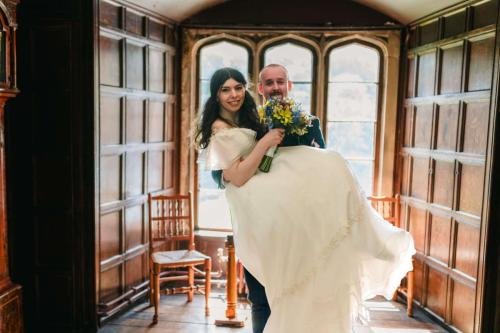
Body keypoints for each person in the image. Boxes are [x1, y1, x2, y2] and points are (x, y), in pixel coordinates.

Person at [195, 67, 415, 333]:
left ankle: (372, 239)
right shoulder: (253, 123)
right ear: (260, 89)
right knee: (262, 297)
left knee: (307, 288)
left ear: (289, 85)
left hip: (303, 224)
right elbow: (223, 175)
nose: (234, 94)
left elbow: (318, 163)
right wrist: (261, 149)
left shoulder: (302, 121)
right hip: (263, 219)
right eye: (268, 83)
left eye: (238, 88)